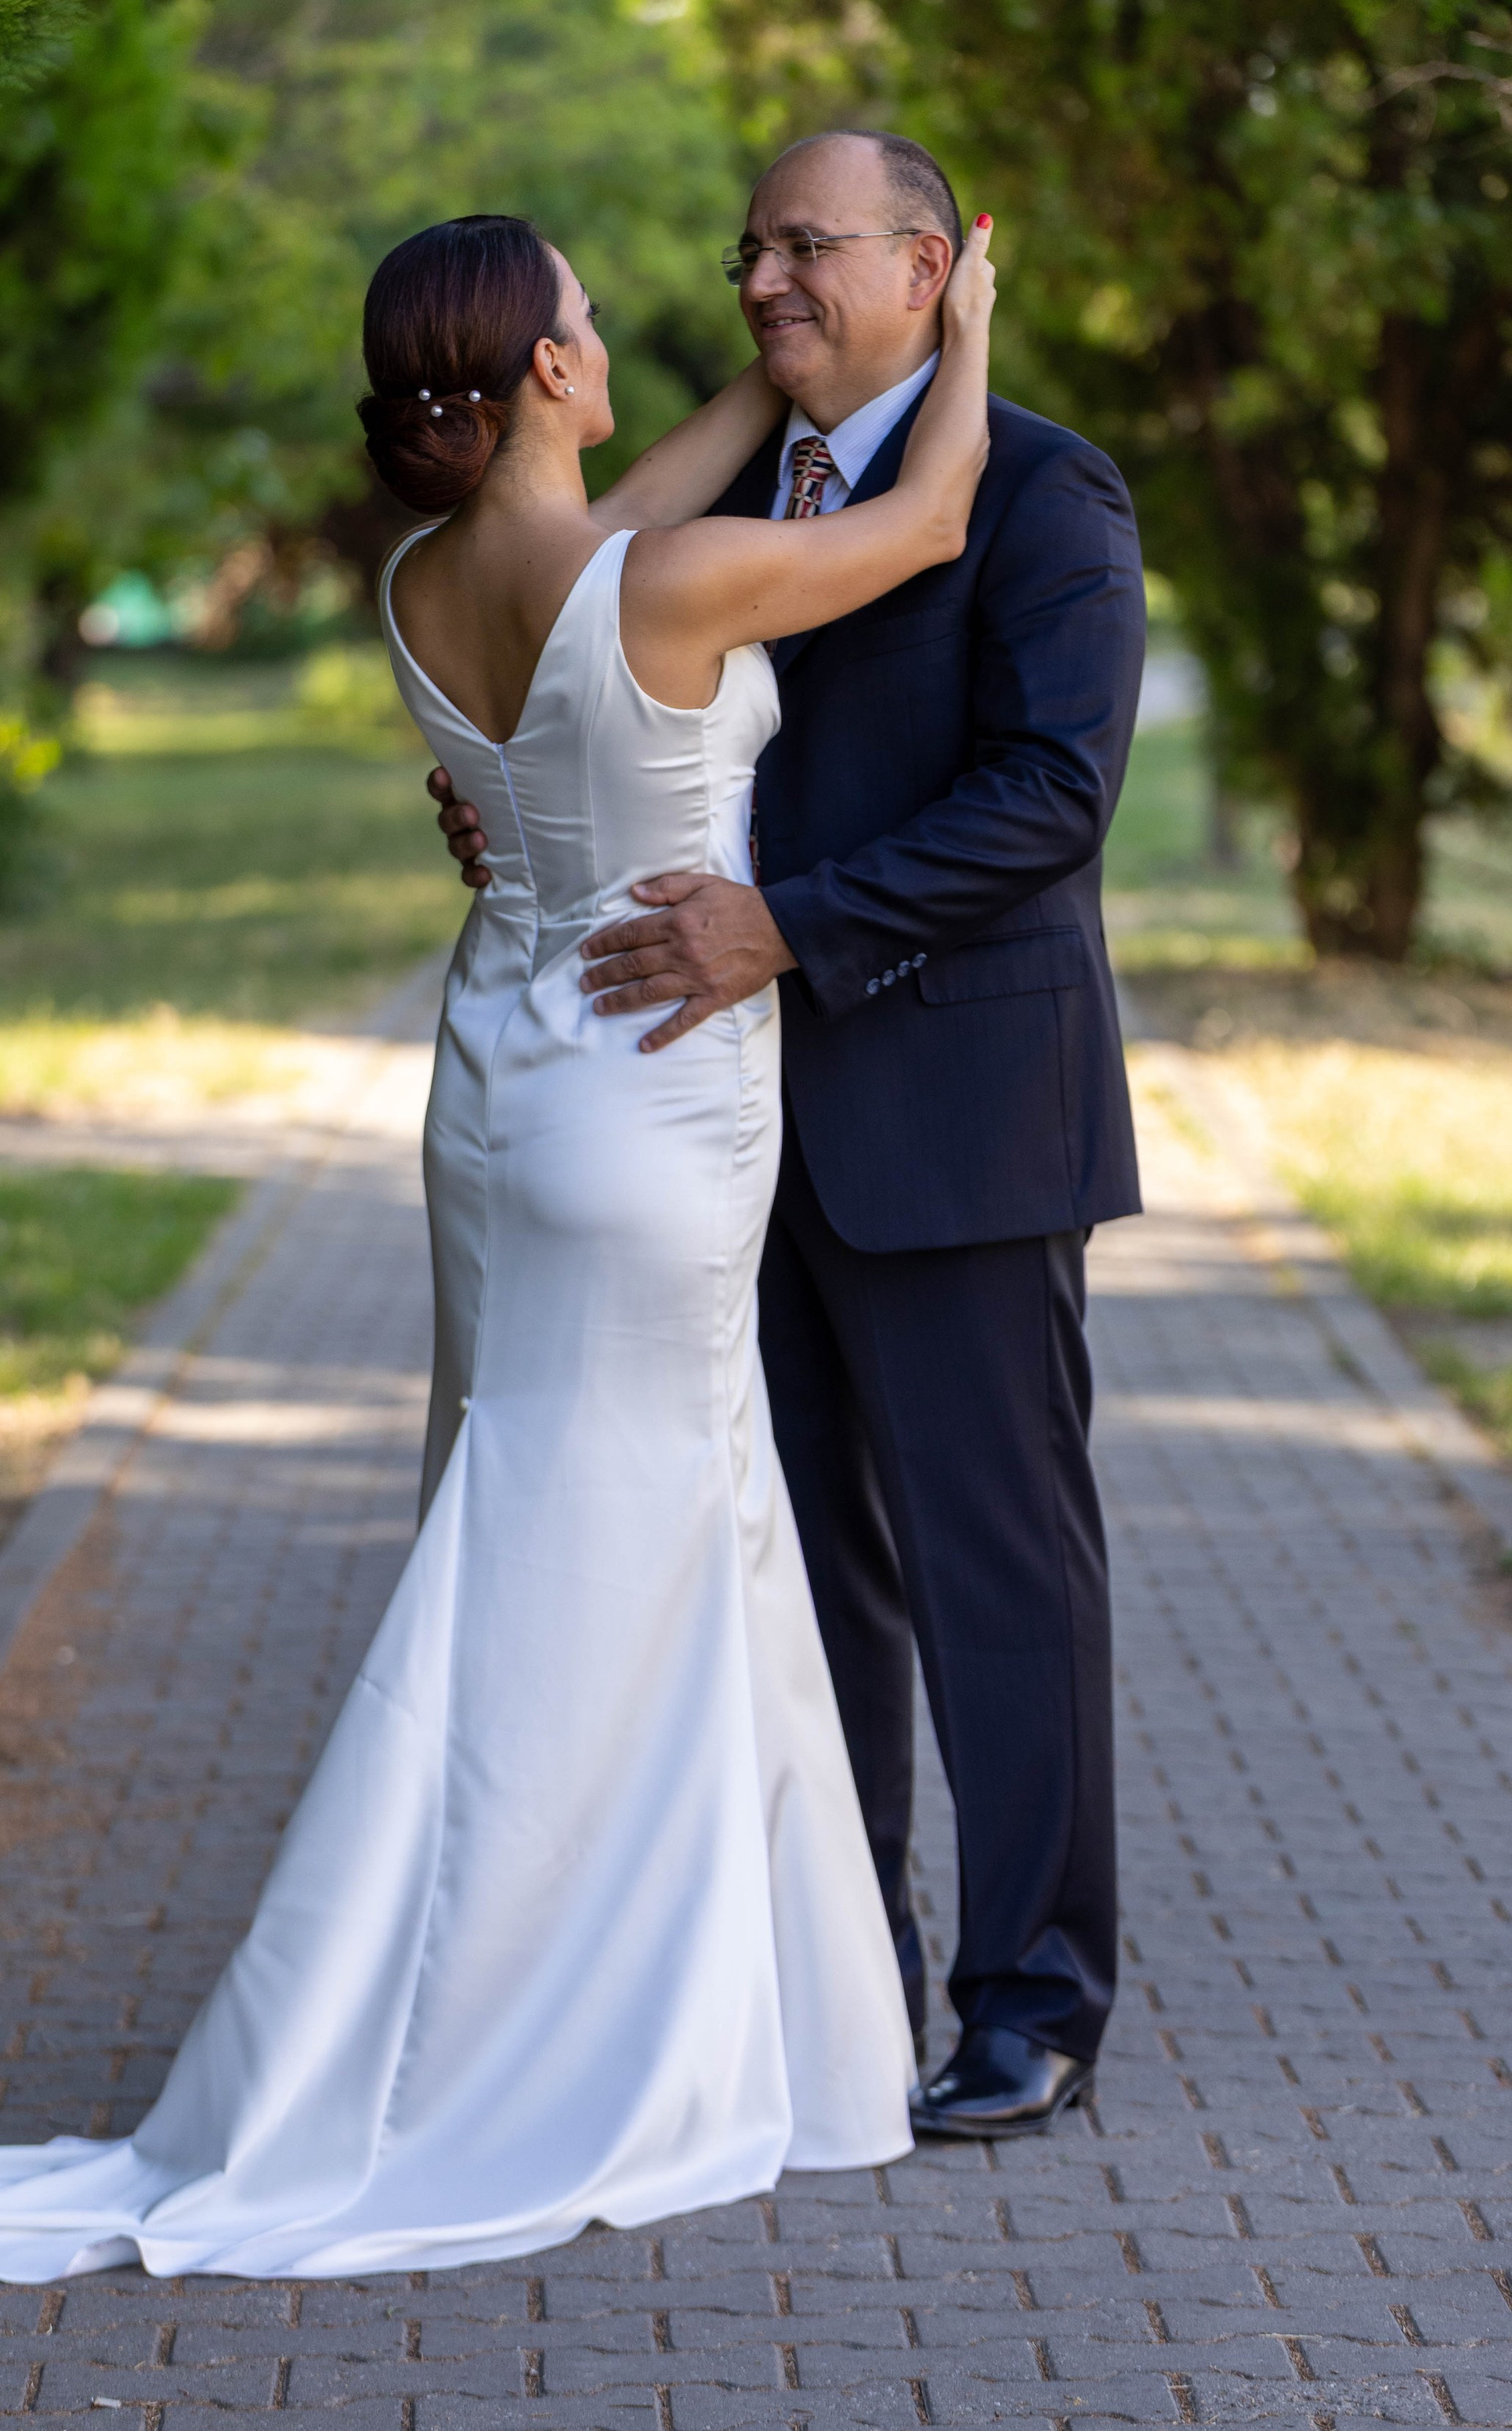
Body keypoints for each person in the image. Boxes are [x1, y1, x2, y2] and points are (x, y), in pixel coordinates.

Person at [0, 207, 997, 2284]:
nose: (614, 338)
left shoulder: (430, 578)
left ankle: (695, 1990)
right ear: (551, 369)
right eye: (589, 317)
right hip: (647, 1098)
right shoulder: (662, 583)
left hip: (496, 1081)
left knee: (577, 1508)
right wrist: (967, 324)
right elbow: (927, 522)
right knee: (616, 1535)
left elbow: (624, 515)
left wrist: (770, 374)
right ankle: (535, 2018)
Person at [432, 134, 1145, 2142]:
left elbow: (1051, 793)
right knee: (804, 1583)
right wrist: (521, 799)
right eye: (747, 245)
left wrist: (790, 926)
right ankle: (841, 1985)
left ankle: (1031, 1999)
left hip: (952, 1115)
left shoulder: (1041, 491)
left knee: (998, 1573)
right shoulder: (723, 501)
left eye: (806, 244)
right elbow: (597, 713)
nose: (761, 277)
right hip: (712, 1133)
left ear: (927, 268)